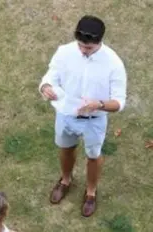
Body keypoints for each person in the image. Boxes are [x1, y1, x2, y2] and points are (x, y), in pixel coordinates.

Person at [38, 15, 127, 217]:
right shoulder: (64, 52)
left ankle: (91, 192)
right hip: (65, 115)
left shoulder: (114, 63)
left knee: (93, 157)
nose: (83, 51)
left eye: (88, 48)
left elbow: (120, 101)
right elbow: (50, 76)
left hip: (94, 121)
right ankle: (65, 180)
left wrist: (99, 104)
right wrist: (46, 87)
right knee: (65, 148)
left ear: (99, 43)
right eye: (80, 46)